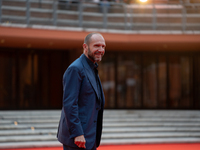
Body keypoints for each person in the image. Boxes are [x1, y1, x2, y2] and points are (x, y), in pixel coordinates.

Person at [57, 33, 106, 150]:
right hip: (78, 139)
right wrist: (77, 133)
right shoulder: (76, 68)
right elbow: (70, 104)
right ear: (85, 47)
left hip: (90, 136)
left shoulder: (92, 68)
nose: (101, 50)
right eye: (96, 46)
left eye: (103, 46)